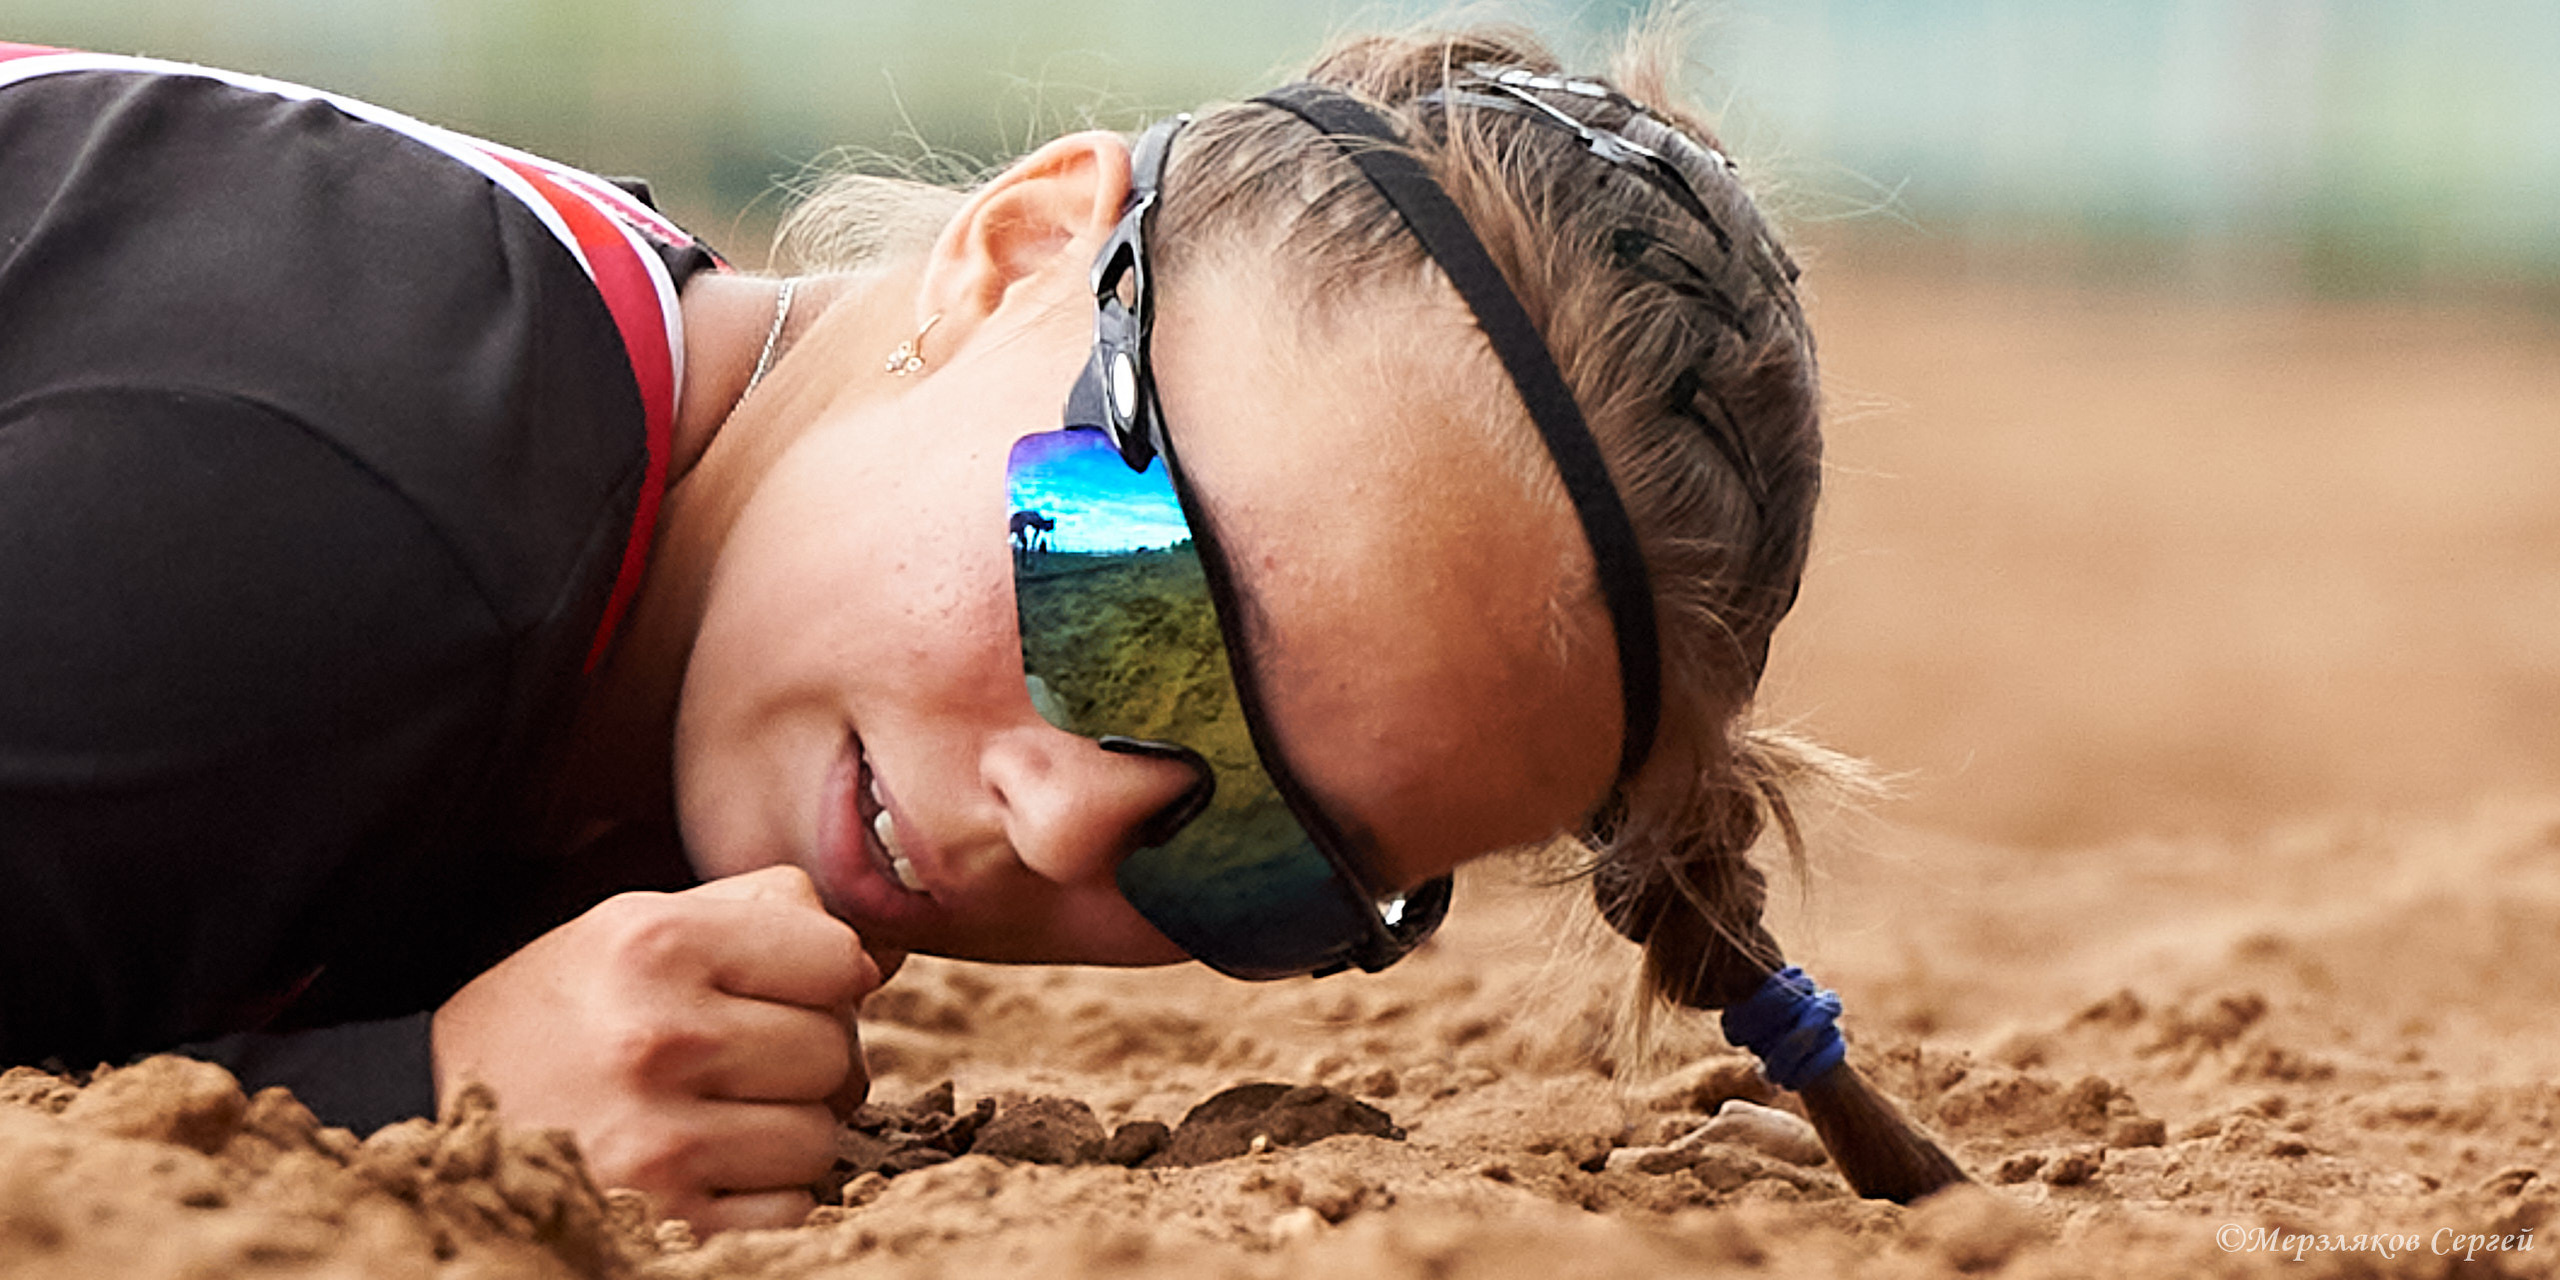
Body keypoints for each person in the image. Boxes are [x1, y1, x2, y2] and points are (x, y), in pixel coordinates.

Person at [0, 19, 1960, 1231]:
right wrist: (406, 1105)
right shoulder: (331, 509)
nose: (1069, 820)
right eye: (1128, 604)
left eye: (1256, 860)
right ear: (1010, 249)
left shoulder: (590, 482)